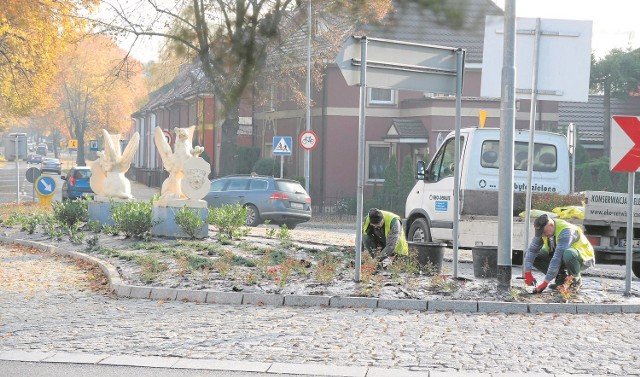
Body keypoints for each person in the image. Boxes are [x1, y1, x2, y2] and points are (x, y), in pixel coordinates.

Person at [524, 214, 595, 293]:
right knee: (532, 255)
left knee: (568, 254)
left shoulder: (566, 231)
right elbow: (532, 251)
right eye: (541, 233)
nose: (543, 235)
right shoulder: (543, 232)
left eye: (544, 232)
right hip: (562, 257)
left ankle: (575, 281)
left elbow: (557, 259)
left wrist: (545, 283)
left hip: (583, 258)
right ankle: (561, 279)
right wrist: (527, 272)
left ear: (551, 225)